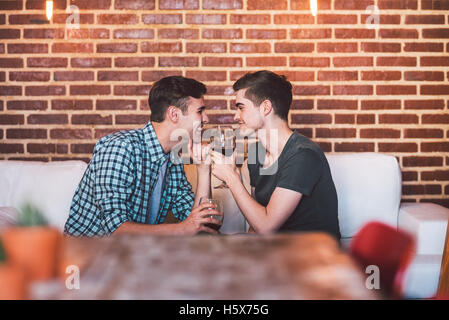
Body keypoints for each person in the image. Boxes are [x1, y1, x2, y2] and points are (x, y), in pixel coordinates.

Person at [64, 76, 221, 237]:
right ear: (174, 114)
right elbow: (115, 229)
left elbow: (202, 226)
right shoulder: (120, 148)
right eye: (200, 111)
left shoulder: (173, 159)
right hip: (87, 254)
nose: (206, 118)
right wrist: (183, 228)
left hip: (131, 253)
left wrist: (203, 170)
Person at [211, 70, 341, 240]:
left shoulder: (303, 155)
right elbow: (257, 218)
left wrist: (231, 178)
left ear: (266, 107)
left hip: (313, 255)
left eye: (241, 108)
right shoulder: (256, 153)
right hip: (276, 250)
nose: (236, 116)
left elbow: (266, 226)